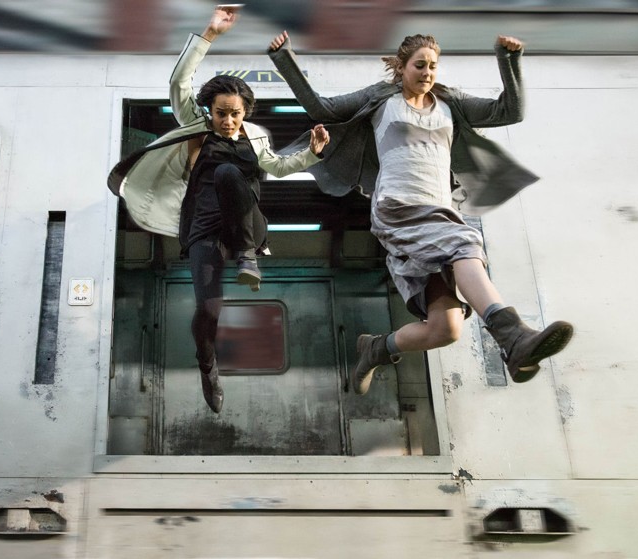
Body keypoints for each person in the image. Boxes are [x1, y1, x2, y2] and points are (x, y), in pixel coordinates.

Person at [267, 31, 572, 393]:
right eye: (420, 65)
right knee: (465, 245)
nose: (427, 73)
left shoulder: (450, 102)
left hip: (440, 211)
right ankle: (512, 337)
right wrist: (284, 58)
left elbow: (510, 111)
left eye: (433, 66)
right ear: (401, 67)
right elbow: (322, 108)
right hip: (398, 206)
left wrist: (508, 60)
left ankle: (377, 348)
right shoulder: (381, 99)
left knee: (446, 328)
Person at [108, 6, 329, 413]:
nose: (228, 121)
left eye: (235, 114)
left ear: (246, 113)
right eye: (221, 113)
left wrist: (311, 154)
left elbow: (279, 167)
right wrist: (209, 34)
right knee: (209, 310)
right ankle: (207, 366)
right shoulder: (197, 127)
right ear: (210, 111)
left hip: (246, 224)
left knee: (229, 172)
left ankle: (247, 255)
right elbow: (179, 82)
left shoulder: (255, 138)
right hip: (203, 229)